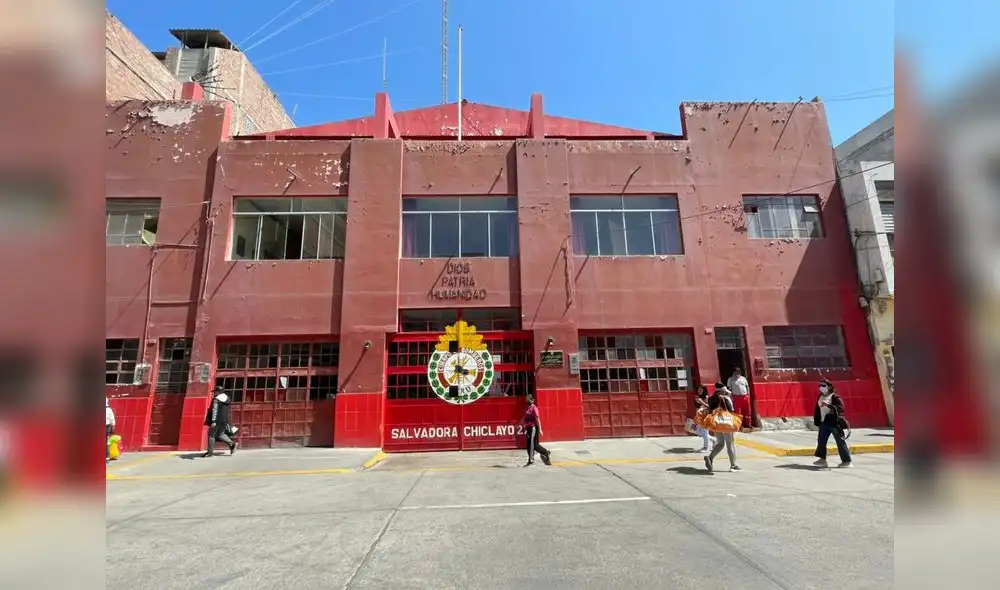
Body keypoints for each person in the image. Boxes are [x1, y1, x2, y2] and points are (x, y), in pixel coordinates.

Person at [813, 379, 852, 468]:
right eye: (820, 385)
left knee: (840, 441)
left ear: (829, 386)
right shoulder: (820, 396)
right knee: (821, 441)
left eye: (823, 385)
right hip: (824, 422)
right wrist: (817, 420)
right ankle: (822, 460)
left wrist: (828, 405)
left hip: (834, 423)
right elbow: (817, 409)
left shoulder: (835, 397)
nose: (821, 387)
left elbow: (840, 409)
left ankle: (847, 461)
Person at [704, 382, 741, 473]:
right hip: (725, 423)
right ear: (723, 390)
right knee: (730, 444)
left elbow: (710, 409)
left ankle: (710, 457)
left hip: (716, 423)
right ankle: (733, 465)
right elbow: (730, 410)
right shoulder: (725, 398)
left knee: (720, 443)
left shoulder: (711, 398)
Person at [203, 387, 237, 457]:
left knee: (211, 435)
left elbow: (215, 410)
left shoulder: (216, 400)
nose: (214, 393)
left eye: (215, 392)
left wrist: (213, 421)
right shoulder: (227, 399)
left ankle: (210, 452)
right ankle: (232, 444)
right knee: (220, 434)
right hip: (224, 421)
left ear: (218, 391)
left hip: (217, 421)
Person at [522, 393, 551, 466]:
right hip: (528, 428)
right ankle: (546, 452)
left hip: (533, 428)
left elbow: (538, 420)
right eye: (526, 399)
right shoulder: (527, 408)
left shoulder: (534, 408)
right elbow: (524, 418)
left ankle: (531, 460)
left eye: (528, 399)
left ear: (532, 400)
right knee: (532, 445)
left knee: (531, 445)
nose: (527, 401)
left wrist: (540, 429)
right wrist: (521, 425)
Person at [693, 385, 716, 453]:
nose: (699, 391)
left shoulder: (707, 397)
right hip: (699, 415)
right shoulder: (696, 397)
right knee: (696, 431)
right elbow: (697, 408)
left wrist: (702, 402)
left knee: (705, 432)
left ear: (704, 391)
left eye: (701, 390)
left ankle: (706, 447)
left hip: (706, 416)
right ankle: (713, 440)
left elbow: (710, 407)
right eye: (698, 390)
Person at [106, 397, 116, 462]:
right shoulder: (109, 409)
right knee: (106, 441)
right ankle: (106, 456)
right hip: (106, 426)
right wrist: (113, 425)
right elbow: (112, 419)